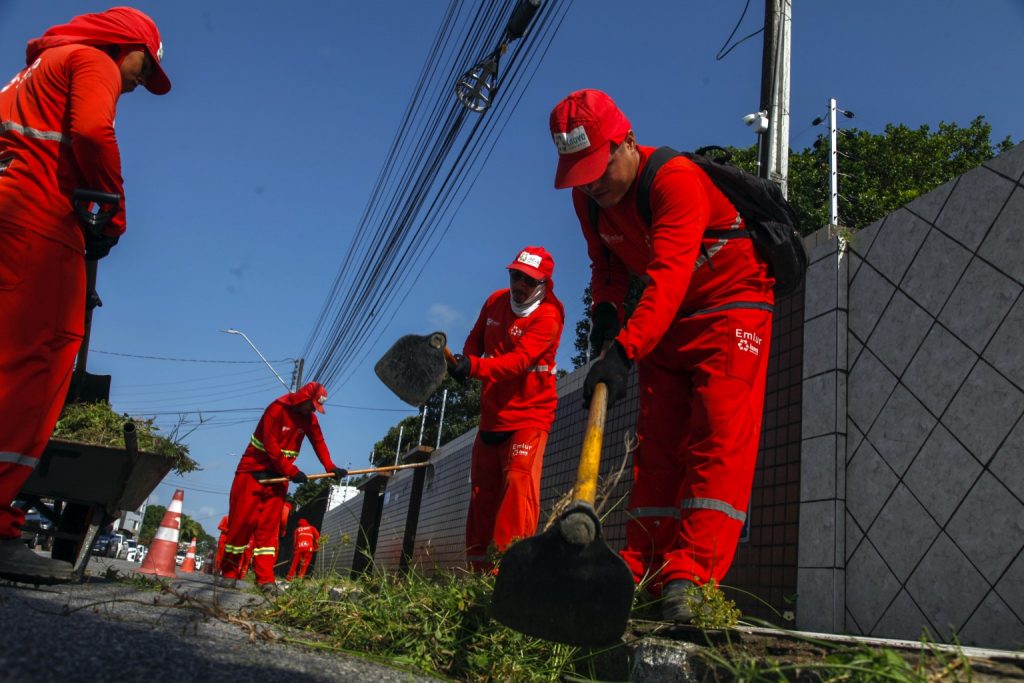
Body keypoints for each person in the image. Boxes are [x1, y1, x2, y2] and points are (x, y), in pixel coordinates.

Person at [548, 89, 774, 622]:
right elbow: (607, 266)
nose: (593, 184)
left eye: (599, 167)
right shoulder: (587, 196)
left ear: (627, 140)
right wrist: (605, 316)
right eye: (579, 173)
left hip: (730, 303)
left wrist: (624, 351)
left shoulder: (674, 180)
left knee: (717, 434)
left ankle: (692, 578)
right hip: (665, 316)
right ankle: (641, 567)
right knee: (658, 442)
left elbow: (669, 275)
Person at [0, 7, 171, 584]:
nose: (138, 84)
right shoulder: (91, 61)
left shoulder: (35, 70)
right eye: (143, 70)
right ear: (129, 47)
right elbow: (94, 133)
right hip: (38, 226)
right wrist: (111, 211)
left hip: (12, 212)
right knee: (36, 359)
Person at [448, 246, 565, 572]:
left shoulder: (549, 316)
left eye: (528, 280)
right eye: (515, 275)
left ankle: (509, 573)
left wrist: (472, 368)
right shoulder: (495, 301)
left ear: (543, 283)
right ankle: (479, 576)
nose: (519, 284)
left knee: (517, 486)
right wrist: (463, 358)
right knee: (481, 494)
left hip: (530, 416)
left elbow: (517, 363)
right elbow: (476, 339)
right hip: (492, 417)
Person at [218, 382, 347, 596]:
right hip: (252, 474)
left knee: (269, 532)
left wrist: (330, 466)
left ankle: (266, 580)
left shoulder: (309, 419)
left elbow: (318, 441)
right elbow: (270, 445)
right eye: (312, 405)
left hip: (279, 479)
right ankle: (229, 574)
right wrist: (292, 470)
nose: (313, 410)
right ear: (303, 398)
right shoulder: (276, 409)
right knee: (241, 525)